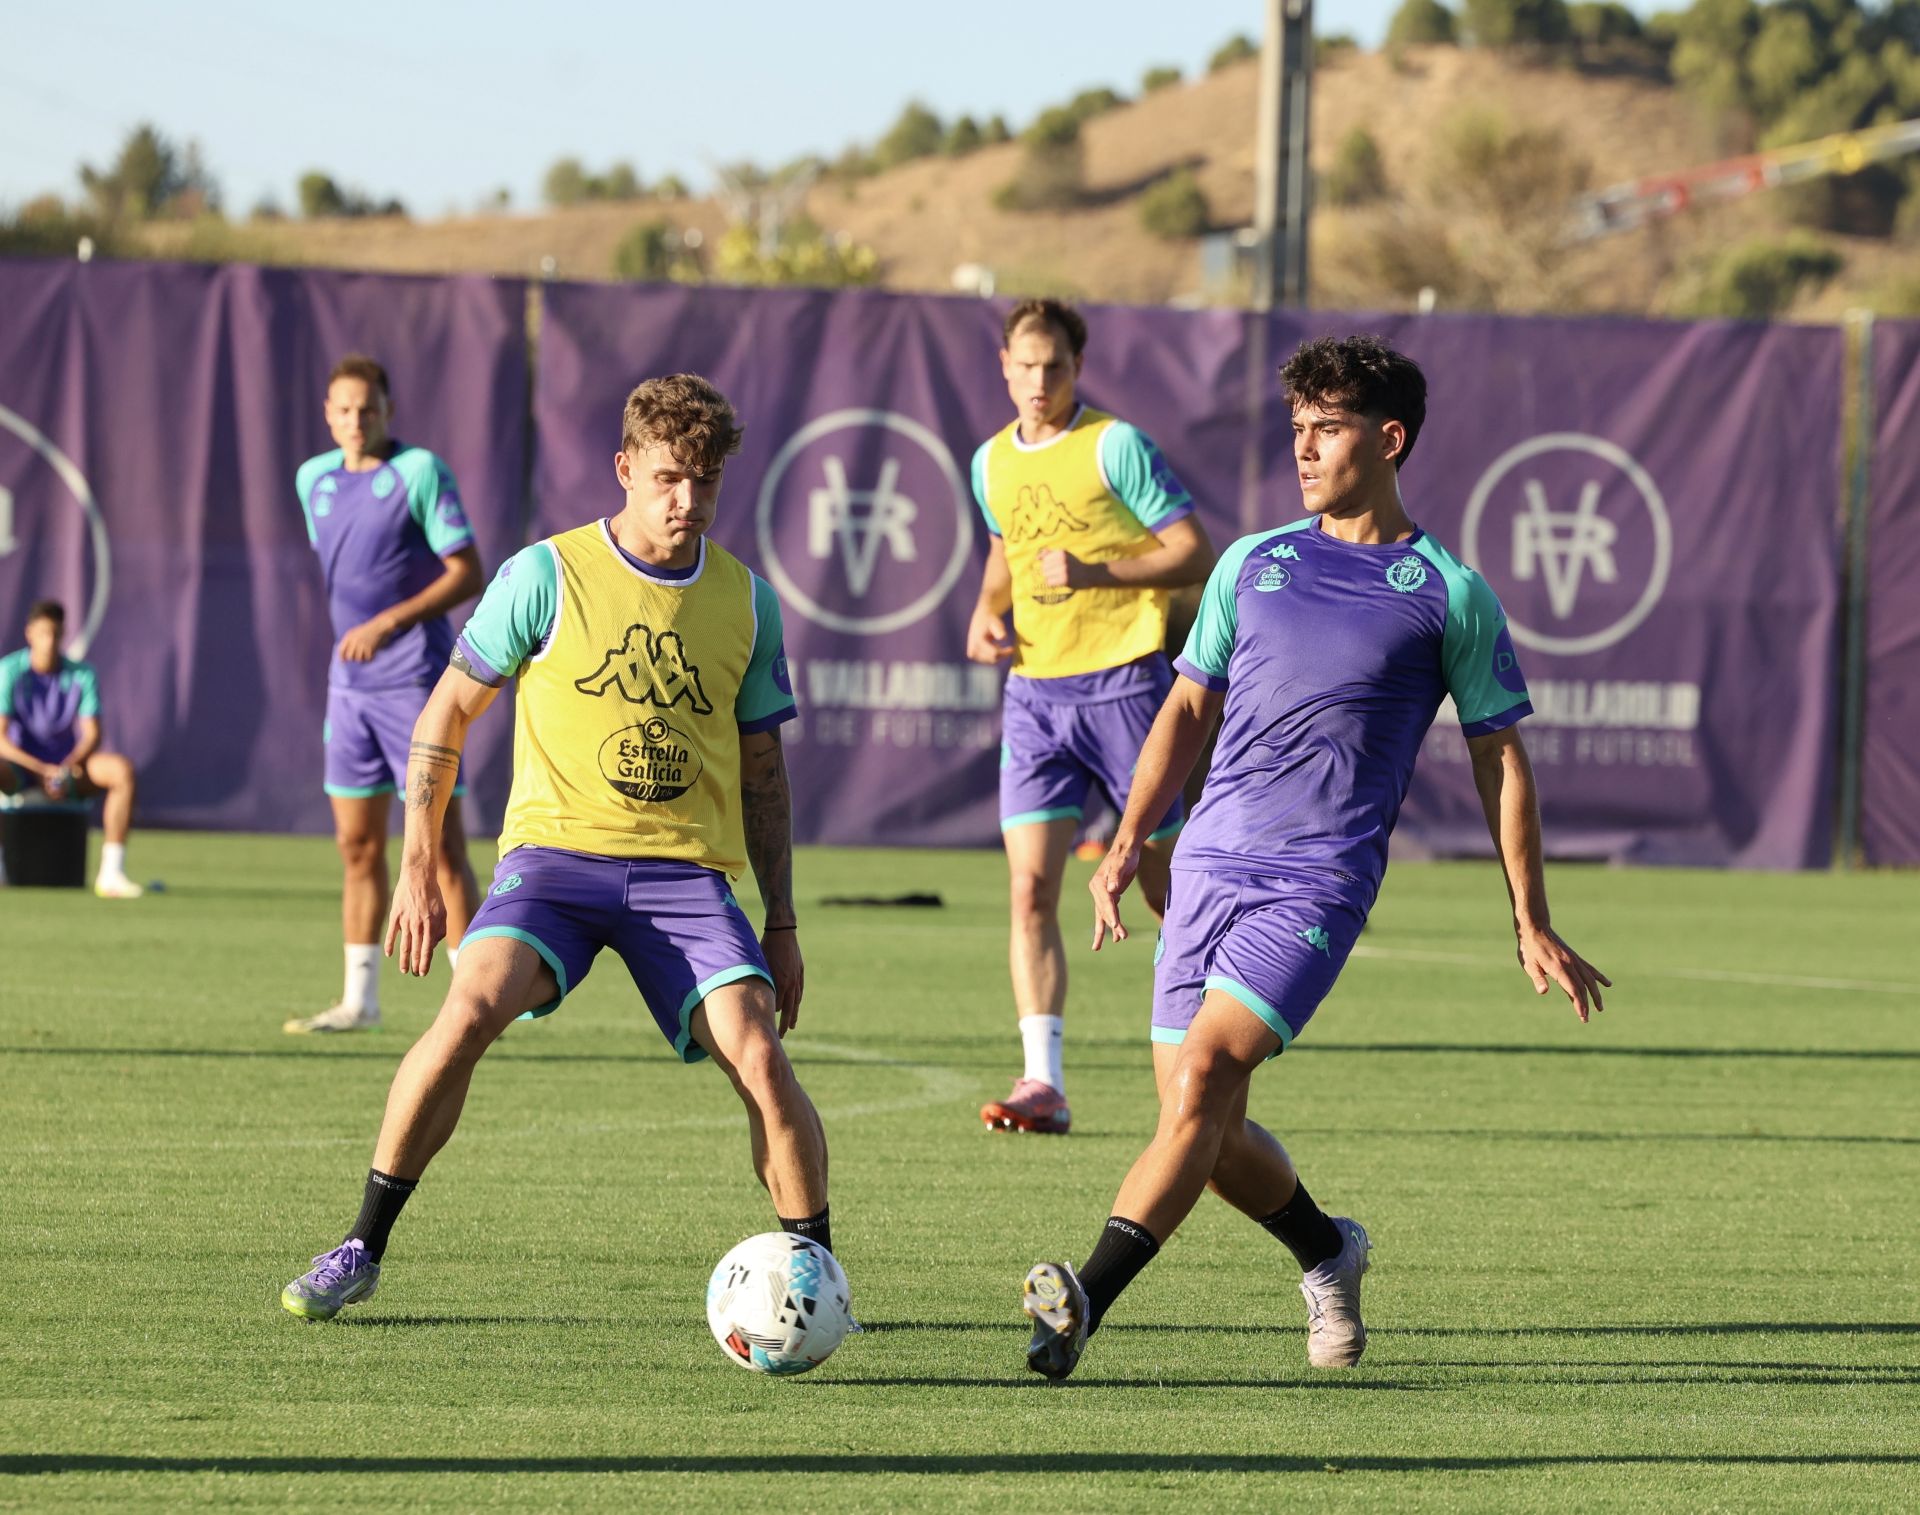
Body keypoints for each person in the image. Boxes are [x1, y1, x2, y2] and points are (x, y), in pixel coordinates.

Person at [1020, 335, 1611, 1378]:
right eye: (1295, 429)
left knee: (1201, 1080)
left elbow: (1501, 760)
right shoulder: (1254, 561)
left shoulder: (1448, 591)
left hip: (1317, 880)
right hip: (1206, 867)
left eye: (1326, 429)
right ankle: (1329, 1249)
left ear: (1388, 440)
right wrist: (1124, 843)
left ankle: (1084, 1300)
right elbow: (1186, 709)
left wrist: (1531, 914)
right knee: (1196, 1129)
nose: (1303, 448)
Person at [281, 373, 832, 1322]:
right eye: (666, 477)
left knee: (760, 1054)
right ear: (623, 468)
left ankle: (819, 1278)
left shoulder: (747, 602)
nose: (685, 501)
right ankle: (361, 1243)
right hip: (554, 866)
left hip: (686, 877)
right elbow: (448, 709)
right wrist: (418, 864)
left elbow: (764, 775)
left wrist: (781, 920)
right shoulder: (547, 572)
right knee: (467, 1010)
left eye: (703, 481)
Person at [965, 299, 1216, 1135]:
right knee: (1031, 887)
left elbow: (1193, 549)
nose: (1040, 382)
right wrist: (986, 610)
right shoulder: (990, 461)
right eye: (1027, 366)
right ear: (1004, 364)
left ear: (1078, 368)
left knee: (1163, 887)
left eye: (1057, 368)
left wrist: (1094, 571)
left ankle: (1209, 1044)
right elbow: (1006, 550)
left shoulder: (1115, 445)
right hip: (1036, 696)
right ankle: (1044, 1080)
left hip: (1126, 689)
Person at [286, 355, 484, 1034]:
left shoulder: (420, 472)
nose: (355, 421)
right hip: (350, 692)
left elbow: (468, 572)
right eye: (342, 409)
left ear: (387, 410)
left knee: (442, 848)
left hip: (416, 684)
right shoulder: (312, 479)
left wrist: (390, 621)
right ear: (327, 413)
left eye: (367, 408)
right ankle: (360, 1000)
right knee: (359, 849)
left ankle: (480, 1000)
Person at [0, 599, 143, 896]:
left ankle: (111, 873)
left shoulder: (81, 674)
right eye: (43, 634)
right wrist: (40, 770)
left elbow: (92, 734)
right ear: (29, 634)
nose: (49, 642)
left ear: (63, 634)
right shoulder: (10, 671)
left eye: (55, 634)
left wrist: (65, 768)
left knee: (121, 771)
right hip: (22, 770)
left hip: (68, 769)